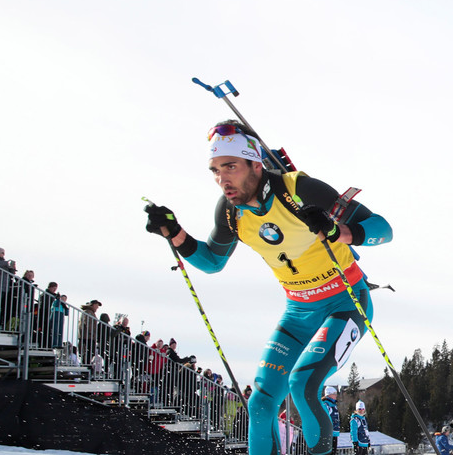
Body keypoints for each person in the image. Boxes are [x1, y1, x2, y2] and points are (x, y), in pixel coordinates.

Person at [143, 120, 392, 455]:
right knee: (260, 404)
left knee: (302, 384)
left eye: (230, 167)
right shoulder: (231, 212)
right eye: (215, 170)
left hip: (345, 302)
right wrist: (175, 234)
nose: (222, 179)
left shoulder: (298, 189)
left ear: (255, 165)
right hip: (298, 311)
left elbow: (383, 229)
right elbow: (213, 262)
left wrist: (338, 231)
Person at [321, 386, 340, 455]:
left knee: (333, 452)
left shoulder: (334, 405)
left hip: (334, 432)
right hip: (328, 433)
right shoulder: (326, 405)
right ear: (329, 394)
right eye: (334, 393)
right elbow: (324, 419)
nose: (336, 395)